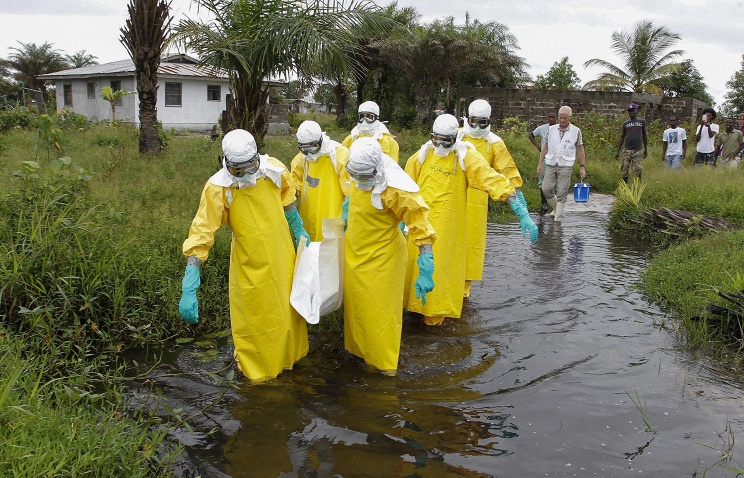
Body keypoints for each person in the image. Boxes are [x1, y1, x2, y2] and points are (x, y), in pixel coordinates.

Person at [178, 129, 310, 382]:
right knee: (256, 319)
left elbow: (288, 201)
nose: (247, 174)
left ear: (257, 158)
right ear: (227, 164)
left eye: (251, 166)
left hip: (283, 255)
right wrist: (190, 280)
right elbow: (202, 231)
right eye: (239, 171)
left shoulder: (274, 170)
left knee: (288, 312)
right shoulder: (218, 187)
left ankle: (291, 358)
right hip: (249, 262)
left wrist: (298, 228)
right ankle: (259, 371)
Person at [403, 114, 537, 326]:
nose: (441, 145)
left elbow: (493, 180)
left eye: (446, 140)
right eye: (437, 140)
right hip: (421, 224)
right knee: (414, 266)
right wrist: (402, 222)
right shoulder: (421, 156)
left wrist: (520, 210)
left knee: (442, 269)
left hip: (449, 227)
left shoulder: (466, 158)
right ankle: (412, 310)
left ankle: (434, 318)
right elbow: (404, 188)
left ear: (455, 138)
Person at [342, 137, 436, 374]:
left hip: (383, 261)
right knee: (358, 311)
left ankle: (384, 366)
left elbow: (420, 223)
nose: (360, 181)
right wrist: (346, 211)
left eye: (365, 177)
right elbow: (352, 196)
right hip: (355, 255)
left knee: (380, 316)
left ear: (377, 169)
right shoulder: (357, 168)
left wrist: (426, 263)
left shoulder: (395, 189)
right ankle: (361, 355)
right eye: (357, 176)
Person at [458, 99, 525, 298]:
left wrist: (519, 202)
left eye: (482, 123)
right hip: (453, 196)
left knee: (471, 244)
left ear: (489, 121)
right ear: (467, 119)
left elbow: (508, 171)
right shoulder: (457, 137)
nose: (477, 127)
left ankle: (463, 292)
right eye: (473, 121)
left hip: (478, 201)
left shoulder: (494, 143)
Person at [290, 120, 350, 241]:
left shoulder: (339, 155)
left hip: (333, 215)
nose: (309, 153)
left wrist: (347, 215)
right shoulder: (302, 158)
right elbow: (294, 184)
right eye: (304, 149)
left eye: (312, 148)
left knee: (331, 253)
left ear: (320, 141)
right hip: (309, 215)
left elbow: (351, 191)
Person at [537, 105, 586, 222]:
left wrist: (582, 166)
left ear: (570, 118)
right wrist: (540, 163)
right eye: (560, 118)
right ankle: (556, 208)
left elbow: (580, 149)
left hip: (566, 164)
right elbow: (545, 146)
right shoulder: (551, 129)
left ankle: (557, 219)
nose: (562, 120)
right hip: (551, 162)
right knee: (546, 188)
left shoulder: (576, 131)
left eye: (565, 118)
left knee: (561, 191)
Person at [529, 111, 558, 213]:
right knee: (542, 181)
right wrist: (538, 146)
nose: (551, 119)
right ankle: (544, 203)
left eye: (553, 117)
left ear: (556, 118)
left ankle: (554, 205)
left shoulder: (560, 128)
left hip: (557, 159)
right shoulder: (542, 129)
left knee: (555, 183)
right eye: (549, 117)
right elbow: (531, 135)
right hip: (545, 158)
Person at [615, 102, 647, 182]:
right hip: (627, 150)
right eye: (629, 111)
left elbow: (644, 135)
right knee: (624, 168)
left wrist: (645, 149)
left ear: (636, 110)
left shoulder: (642, 122)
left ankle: (638, 184)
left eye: (633, 110)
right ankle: (624, 186)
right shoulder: (625, 123)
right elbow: (622, 137)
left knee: (637, 168)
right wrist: (617, 151)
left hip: (638, 150)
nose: (631, 112)